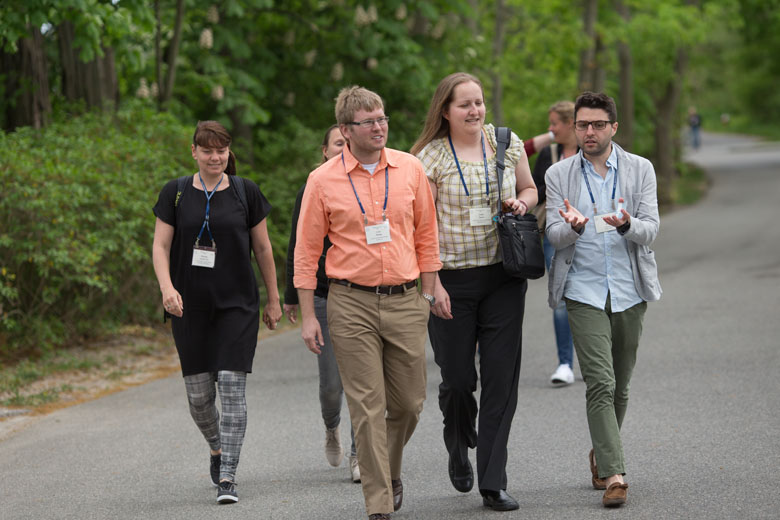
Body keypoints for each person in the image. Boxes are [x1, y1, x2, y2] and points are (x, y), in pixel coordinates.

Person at [294, 86, 441, 520]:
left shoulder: (410, 169)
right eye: (368, 121)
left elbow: (427, 236)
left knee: (410, 403)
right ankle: (378, 503)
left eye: (382, 119)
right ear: (345, 129)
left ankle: (389, 470)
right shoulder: (322, 180)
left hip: (405, 298)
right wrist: (306, 316)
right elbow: (306, 252)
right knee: (367, 406)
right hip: (350, 302)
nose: (379, 127)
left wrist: (429, 293)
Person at [410, 72, 537, 512]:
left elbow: (529, 187)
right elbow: (420, 227)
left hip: (504, 275)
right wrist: (433, 284)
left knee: (501, 378)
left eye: (479, 102)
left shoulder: (505, 142)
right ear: (445, 110)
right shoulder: (429, 159)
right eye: (464, 104)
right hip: (451, 283)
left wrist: (523, 202)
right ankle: (457, 440)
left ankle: (492, 480)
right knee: (459, 380)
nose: (475, 110)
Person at [152, 120, 282, 504]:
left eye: (221, 150)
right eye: (207, 150)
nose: (215, 157)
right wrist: (166, 288)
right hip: (188, 306)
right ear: (193, 151)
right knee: (198, 397)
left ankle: (228, 476)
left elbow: (263, 250)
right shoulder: (175, 193)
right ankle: (217, 447)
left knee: (230, 385)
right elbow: (160, 247)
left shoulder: (246, 192)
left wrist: (273, 299)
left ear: (229, 152)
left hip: (237, 306)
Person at [545, 92, 661, 508]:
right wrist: (573, 227)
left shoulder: (639, 169)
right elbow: (554, 236)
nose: (589, 132)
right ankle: (615, 473)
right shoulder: (559, 173)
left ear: (613, 127)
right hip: (583, 289)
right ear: (574, 128)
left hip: (629, 289)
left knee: (622, 385)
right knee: (601, 381)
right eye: (582, 125)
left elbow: (651, 229)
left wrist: (628, 223)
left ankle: (601, 449)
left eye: (597, 125)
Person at [283, 125, 360, 483]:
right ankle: (332, 426)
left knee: (364, 380)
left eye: (348, 143)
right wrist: (292, 297)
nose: (344, 149)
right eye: (338, 144)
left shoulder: (370, 185)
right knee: (332, 385)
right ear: (325, 151)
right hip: (325, 294)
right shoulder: (313, 186)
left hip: (362, 293)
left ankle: (361, 454)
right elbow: (297, 247)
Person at [532, 101, 578, 386]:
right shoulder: (549, 154)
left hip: (589, 234)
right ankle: (565, 364)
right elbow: (534, 191)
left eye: (555, 123)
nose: (550, 129)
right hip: (553, 232)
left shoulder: (593, 151)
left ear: (571, 123)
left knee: (591, 295)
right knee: (560, 298)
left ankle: (595, 359)